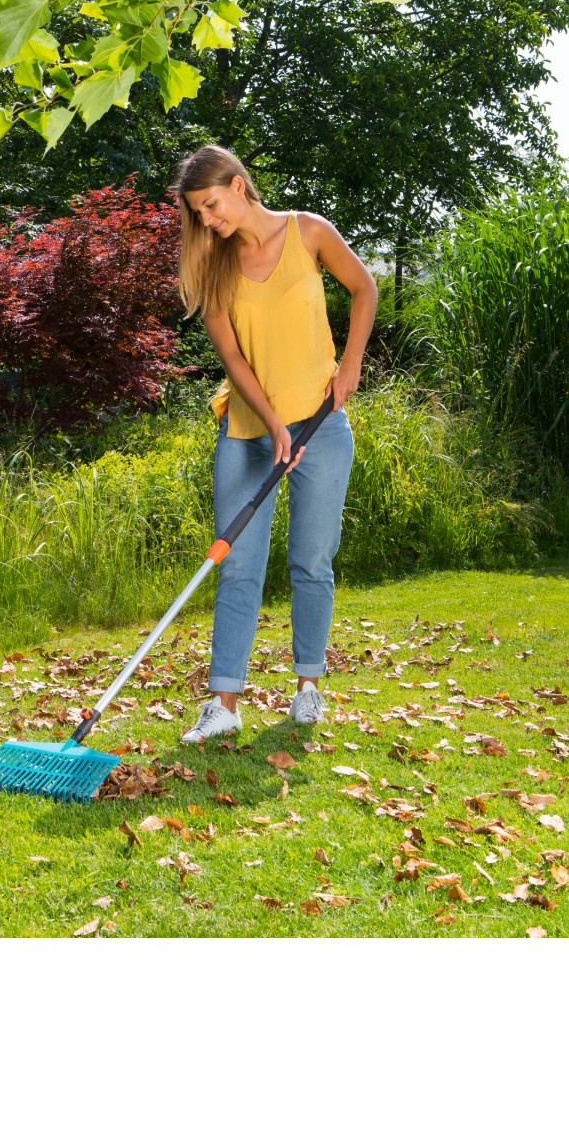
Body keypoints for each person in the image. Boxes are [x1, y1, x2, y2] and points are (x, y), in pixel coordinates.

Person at [172, 145, 377, 743]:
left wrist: (350, 366)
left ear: (239, 186)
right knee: (237, 565)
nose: (207, 219)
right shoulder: (213, 266)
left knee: (312, 561)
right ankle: (224, 704)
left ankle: (308, 687)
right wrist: (272, 423)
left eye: (211, 205)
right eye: (198, 212)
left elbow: (364, 288)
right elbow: (234, 360)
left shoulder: (308, 232)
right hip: (247, 433)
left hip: (322, 424)